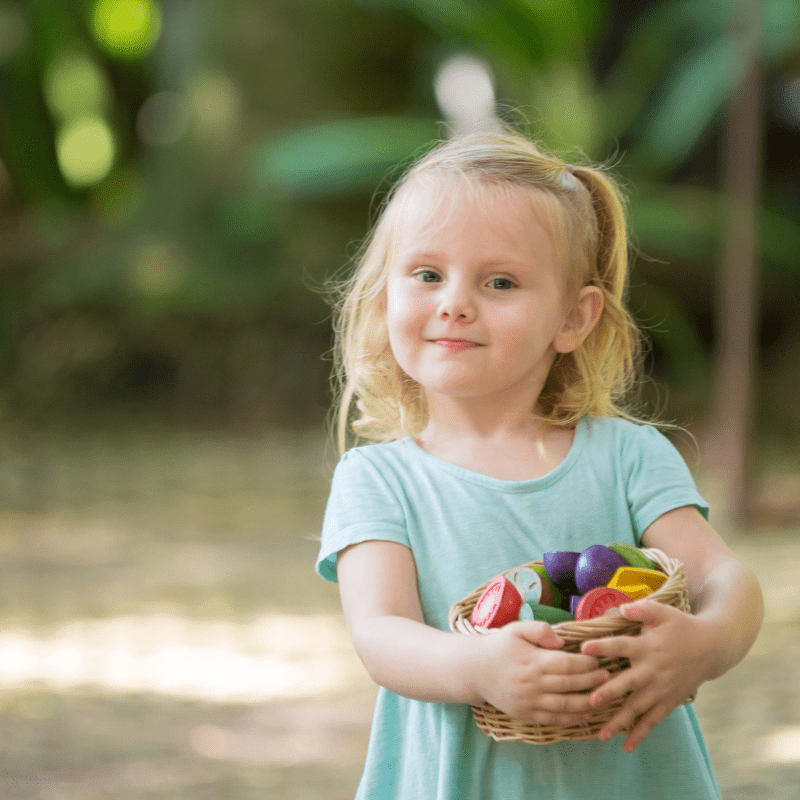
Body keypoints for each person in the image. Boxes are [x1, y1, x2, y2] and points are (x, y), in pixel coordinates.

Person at [315, 127, 763, 799]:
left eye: (500, 282)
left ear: (574, 318)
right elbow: (381, 634)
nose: (454, 302)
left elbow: (728, 580)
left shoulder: (629, 457)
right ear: (385, 298)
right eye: (427, 274)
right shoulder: (378, 480)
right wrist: (477, 669)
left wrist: (704, 645)